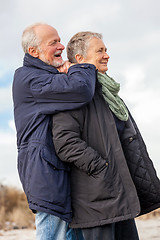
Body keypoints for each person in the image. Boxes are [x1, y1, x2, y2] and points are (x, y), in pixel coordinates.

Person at [52, 32, 160, 240]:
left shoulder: (106, 92)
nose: (106, 55)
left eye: (106, 50)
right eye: (100, 51)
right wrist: (102, 169)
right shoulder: (73, 92)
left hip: (120, 196)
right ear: (81, 59)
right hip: (98, 201)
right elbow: (65, 141)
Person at [12, 24, 97, 240]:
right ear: (34, 51)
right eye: (53, 42)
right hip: (46, 173)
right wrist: (81, 67)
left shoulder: (47, 75)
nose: (61, 46)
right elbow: (82, 89)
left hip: (56, 169)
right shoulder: (28, 78)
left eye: (60, 40)